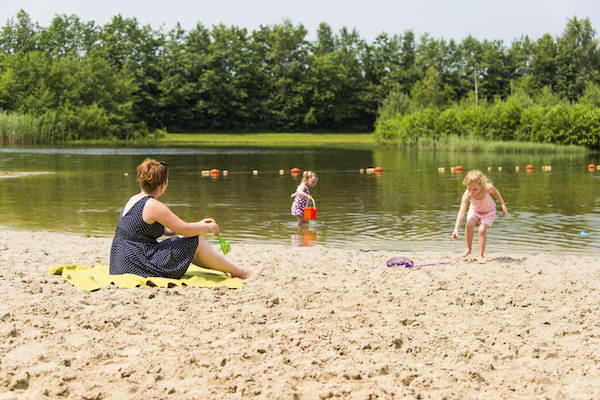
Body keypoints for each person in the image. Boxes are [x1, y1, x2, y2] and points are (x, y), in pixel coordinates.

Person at [110, 158, 263, 279]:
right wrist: (208, 227)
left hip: (121, 263)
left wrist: (196, 226)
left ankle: (228, 268)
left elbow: (160, 229)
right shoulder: (153, 205)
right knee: (195, 240)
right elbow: (186, 230)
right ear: (163, 185)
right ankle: (242, 272)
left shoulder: (134, 199)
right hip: (139, 264)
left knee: (187, 240)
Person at [452, 169, 507, 264]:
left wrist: (502, 205)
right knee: (469, 225)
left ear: (481, 185)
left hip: (488, 212)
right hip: (475, 211)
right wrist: (456, 229)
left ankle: (481, 255)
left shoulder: (487, 188)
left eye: (475, 189)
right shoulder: (467, 194)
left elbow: (496, 193)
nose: (472, 191)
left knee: (481, 230)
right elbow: (461, 212)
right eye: (469, 188)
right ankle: (468, 249)